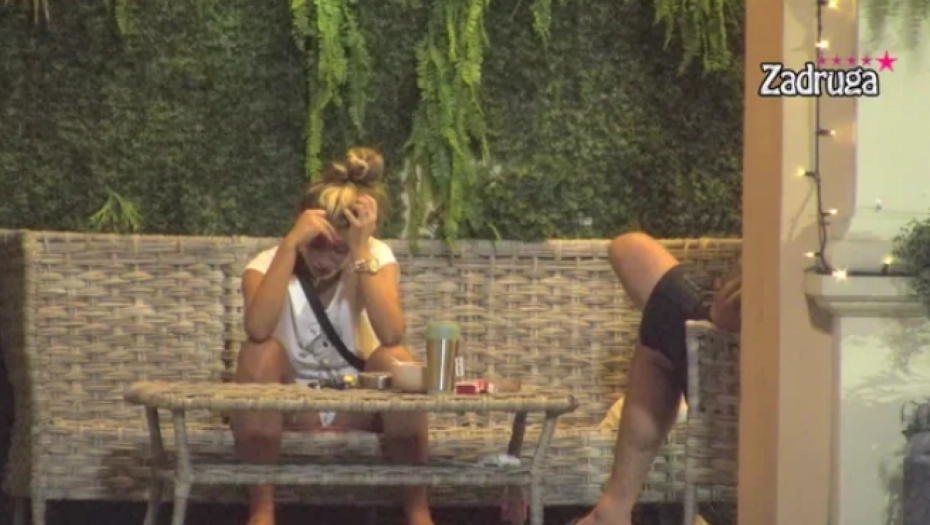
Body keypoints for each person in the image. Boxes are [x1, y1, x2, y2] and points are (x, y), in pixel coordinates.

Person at [232, 147, 435, 525]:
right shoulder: (267, 262)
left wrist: (358, 251)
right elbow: (257, 329)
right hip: (292, 406)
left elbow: (392, 333)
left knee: (399, 359)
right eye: (317, 245)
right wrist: (290, 247)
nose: (325, 259)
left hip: (354, 401)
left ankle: (419, 513)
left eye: (338, 248)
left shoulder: (372, 256)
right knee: (258, 352)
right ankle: (261, 512)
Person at [572, 232, 741, 525]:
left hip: (740, 377)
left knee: (664, 323)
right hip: (720, 342)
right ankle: (613, 509)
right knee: (634, 256)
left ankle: (613, 508)